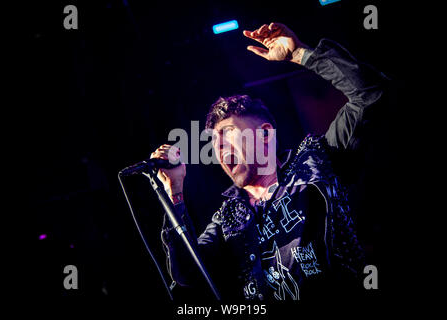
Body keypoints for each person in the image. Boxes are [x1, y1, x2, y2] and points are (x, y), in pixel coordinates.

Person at [151, 22, 390, 301]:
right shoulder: (228, 218)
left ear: (265, 134)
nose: (219, 147)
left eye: (227, 133)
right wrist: (175, 194)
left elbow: (370, 94)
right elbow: (188, 274)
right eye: (214, 142)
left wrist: (302, 54)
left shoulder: (316, 162)